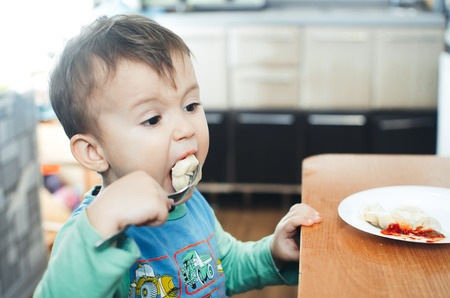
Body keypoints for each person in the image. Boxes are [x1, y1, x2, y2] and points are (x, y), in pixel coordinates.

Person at [34, 14, 321, 297]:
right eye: (153, 119)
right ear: (94, 151)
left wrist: (273, 253)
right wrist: (103, 218)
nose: (185, 129)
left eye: (191, 105)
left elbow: (224, 267)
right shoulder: (92, 237)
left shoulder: (192, 204)